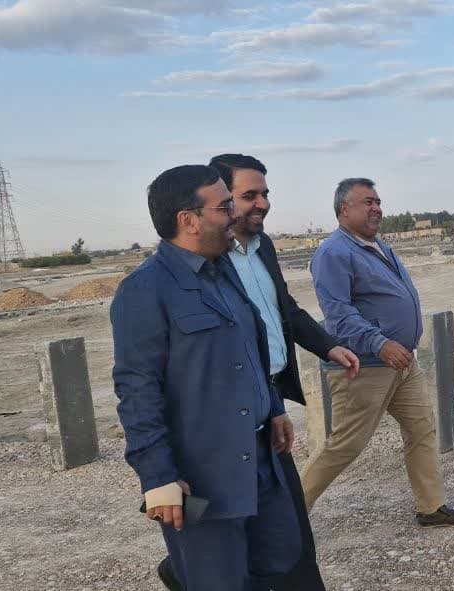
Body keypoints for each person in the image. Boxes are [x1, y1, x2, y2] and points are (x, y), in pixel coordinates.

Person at [150, 154, 360, 591]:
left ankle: (187, 570)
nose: (261, 204)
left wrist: (327, 347)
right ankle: (189, 569)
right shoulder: (204, 265)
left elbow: (284, 311)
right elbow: (141, 384)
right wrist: (157, 477)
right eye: (247, 196)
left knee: (284, 530)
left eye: (264, 194)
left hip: (267, 404)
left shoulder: (262, 248)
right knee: (233, 533)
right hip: (224, 416)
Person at [112, 165, 300, 591]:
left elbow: (248, 347)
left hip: (257, 457)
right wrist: (157, 477)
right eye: (225, 206)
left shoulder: (223, 271)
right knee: (217, 579)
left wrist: (273, 406)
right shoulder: (145, 289)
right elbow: (137, 389)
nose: (235, 213)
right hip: (202, 472)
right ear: (189, 219)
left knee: (276, 556)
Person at [299, 177, 454, 528]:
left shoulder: (377, 245)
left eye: (378, 201)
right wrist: (379, 343)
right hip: (363, 365)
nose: (377, 208)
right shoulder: (333, 253)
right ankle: (288, 513)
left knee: (421, 429)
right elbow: (338, 313)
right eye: (368, 202)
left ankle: (431, 506)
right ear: (344, 209)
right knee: (345, 445)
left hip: (402, 363)